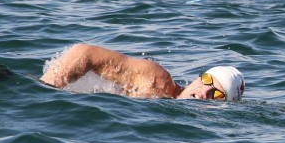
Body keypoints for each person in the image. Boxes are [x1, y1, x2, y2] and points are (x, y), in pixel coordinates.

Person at [40, 42, 244, 101]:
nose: (203, 92)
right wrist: (42, 92)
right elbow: (85, 53)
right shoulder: (155, 79)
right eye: (207, 80)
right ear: (199, 76)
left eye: (217, 95)